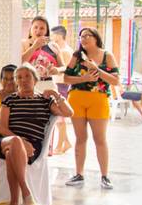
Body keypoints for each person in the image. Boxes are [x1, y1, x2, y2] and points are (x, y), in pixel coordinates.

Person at [0, 63, 73, 205]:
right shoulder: (9, 100)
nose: (23, 80)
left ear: (35, 80)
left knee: (10, 154)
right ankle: (26, 192)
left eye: (27, 76)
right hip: (6, 140)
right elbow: (2, 128)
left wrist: (56, 94)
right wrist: (21, 142)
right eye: (19, 77)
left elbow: (68, 113)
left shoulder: (45, 101)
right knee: (15, 142)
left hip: (32, 146)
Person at [63, 27, 120, 189]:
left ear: (96, 38)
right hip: (76, 99)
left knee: (100, 139)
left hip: (99, 99)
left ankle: (105, 176)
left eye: (88, 36)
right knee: (80, 138)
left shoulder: (107, 55)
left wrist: (96, 69)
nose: (84, 39)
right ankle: (79, 174)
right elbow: (66, 78)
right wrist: (85, 78)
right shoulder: (76, 56)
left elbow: (115, 81)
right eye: (81, 36)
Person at [21, 16, 63, 92]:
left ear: (46, 31)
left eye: (42, 28)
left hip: (49, 85)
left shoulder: (53, 46)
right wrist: (34, 46)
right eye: (35, 27)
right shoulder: (24, 43)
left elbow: (64, 68)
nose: (38, 30)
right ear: (30, 29)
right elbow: (20, 62)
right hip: (29, 85)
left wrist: (57, 70)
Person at [51, 25, 74, 154]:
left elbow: (65, 70)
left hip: (62, 85)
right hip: (61, 85)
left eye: (53, 35)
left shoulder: (64, 51)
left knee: (60, 119)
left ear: (59, 36)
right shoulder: (65, 49)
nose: (51, 37)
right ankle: (66, 142)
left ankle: (60, 146)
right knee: (59, 118)